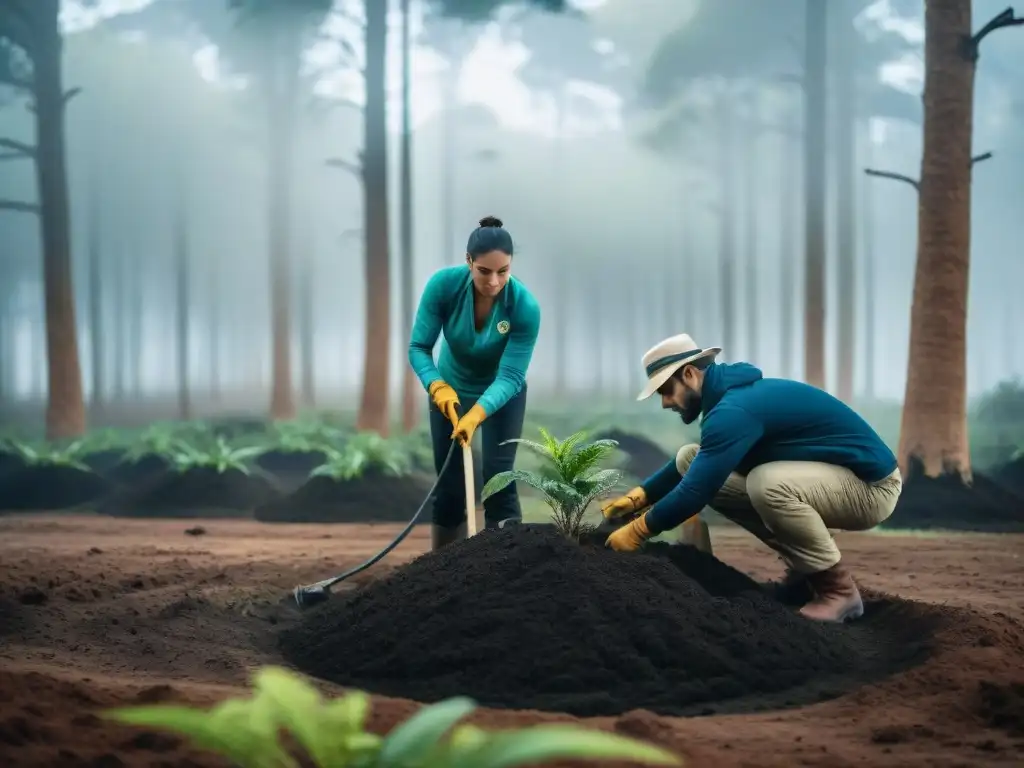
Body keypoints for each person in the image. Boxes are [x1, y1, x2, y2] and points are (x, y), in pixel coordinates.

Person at [601, 333, 903, 623]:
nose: (666, 402)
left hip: (871, 488)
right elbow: (695, 467)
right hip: (831, 481)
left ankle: (838, 592)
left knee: (767, 484)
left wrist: (639, 531)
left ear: (690, 374)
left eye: (666, 390)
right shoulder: (730, 401)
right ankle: (806, 572)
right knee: (689, 458)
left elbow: (696, 491)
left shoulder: (734, 411)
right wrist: (639, 497)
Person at [408, 216, 541, 550]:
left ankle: (507, 568)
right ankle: (440, 570)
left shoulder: (524, 307)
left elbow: (511, 376)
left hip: (502, 396)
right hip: (448, 393)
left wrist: (477, 413)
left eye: (503, 271)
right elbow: (419, 348)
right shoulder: (444, 286)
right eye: (484, 271)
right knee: (450, 485)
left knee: (499, 480)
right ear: (469, 261)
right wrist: (436, 387)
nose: (494, 281)